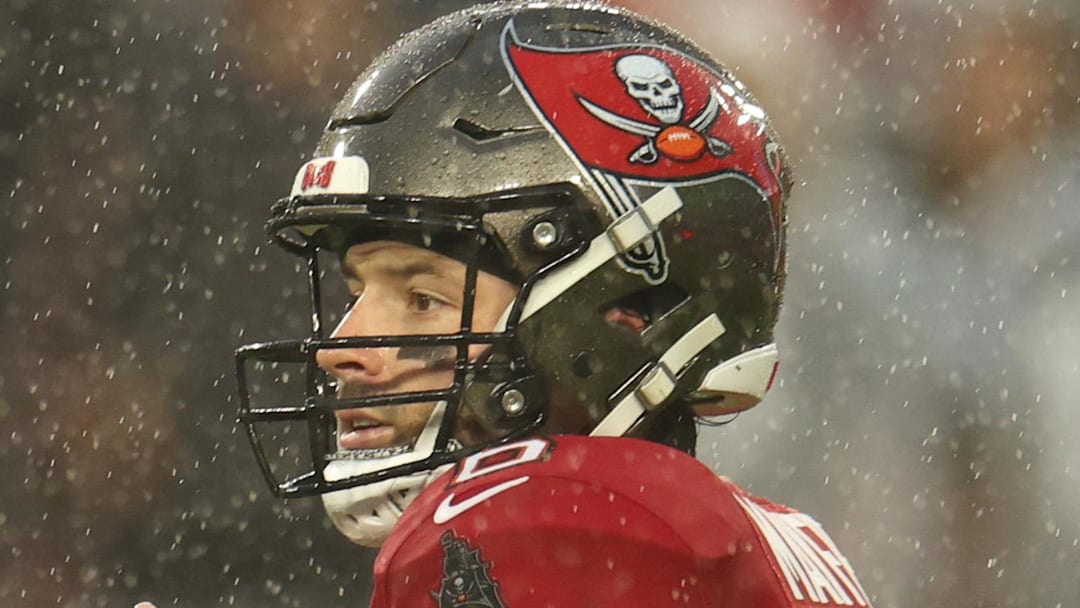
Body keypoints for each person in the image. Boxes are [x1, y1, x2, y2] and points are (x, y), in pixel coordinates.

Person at [223, 2, 873, 607]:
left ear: (628, 310)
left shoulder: (549, 516)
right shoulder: (772, 538)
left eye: (423, 298)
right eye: (358, 293)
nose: (342, 349)